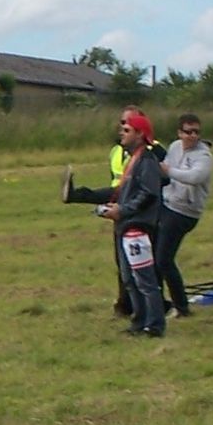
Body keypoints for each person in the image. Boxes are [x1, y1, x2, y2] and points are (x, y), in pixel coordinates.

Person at [63, 112, 167, 338]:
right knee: (129, 279)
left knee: (144, 280)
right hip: (126, 225)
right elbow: (118, 192)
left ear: (140, 135)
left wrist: (124, 210)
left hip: (137, 227)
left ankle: (155, 326)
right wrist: (81, 196)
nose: (121, 132)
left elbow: (149, 194)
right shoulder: (133, 160)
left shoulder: (147, 162)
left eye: (127, 130)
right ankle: (139, 322)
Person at [157, 114, 212, 317]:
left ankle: (181, 307)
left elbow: (195, 177)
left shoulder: (204, 155)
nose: (192, 136)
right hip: (168, 203)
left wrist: (169, 171)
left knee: (163, 258)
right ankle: (160, 303)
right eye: (188, 132)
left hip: (185, 212)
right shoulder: (174, 147)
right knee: (156, 256)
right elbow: (164, 171)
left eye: (196, 132)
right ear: (179, 133)